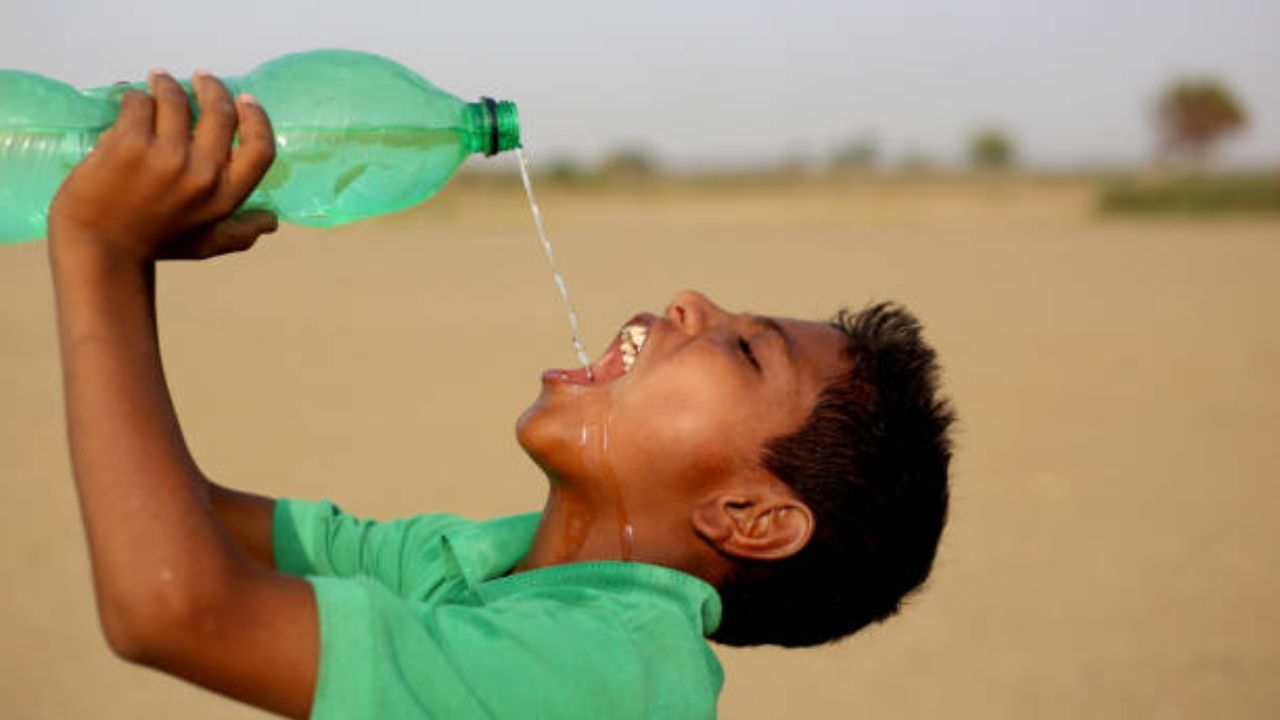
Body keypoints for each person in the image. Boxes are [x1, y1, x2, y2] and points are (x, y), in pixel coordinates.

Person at [47, 70, 954, 719]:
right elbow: (168, 512)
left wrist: (103, 255)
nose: (691, 301)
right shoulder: (484, 564)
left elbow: (172, 607)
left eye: (750, 350)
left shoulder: (617, 672)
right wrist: (134, 254)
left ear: (752, 515)